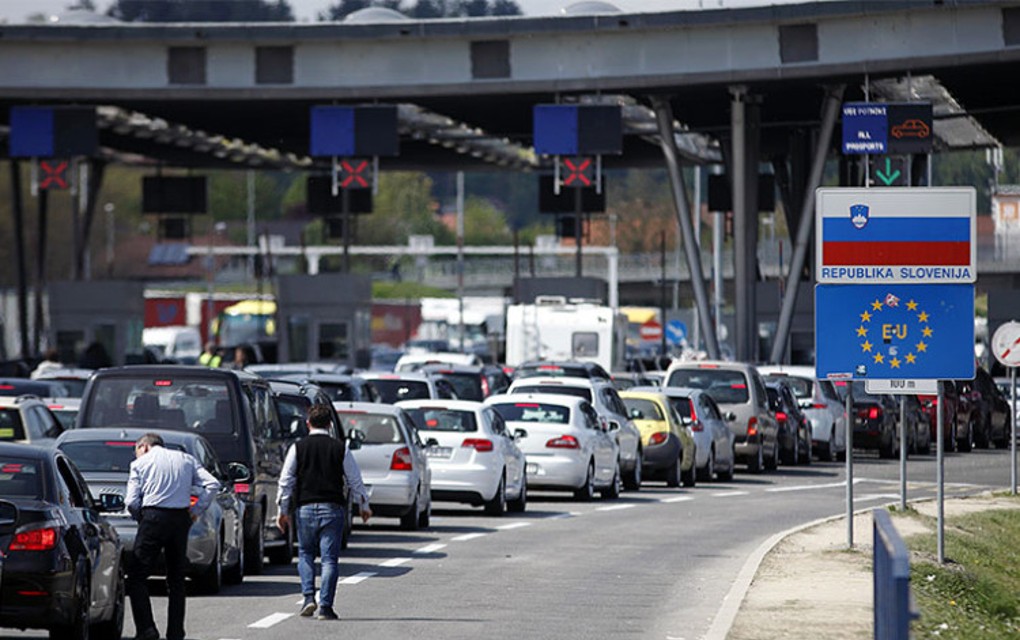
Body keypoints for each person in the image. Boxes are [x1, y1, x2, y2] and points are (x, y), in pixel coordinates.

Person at [276, 405, 372, 621]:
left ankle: (309, 597)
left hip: (305, 508)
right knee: (329, 560)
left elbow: (286, 481)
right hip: (332, 508)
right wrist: (363, 505)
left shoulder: (298, 448)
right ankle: (326, 607)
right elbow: (354, 479)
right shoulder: (340, 448)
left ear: (308, 423)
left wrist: (282, 510)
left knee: (305, 554)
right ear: (330, 424)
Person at [125, 433, 221, 640]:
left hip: (153, 517)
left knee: (137, 576)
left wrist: (140, 517)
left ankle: (146, 628)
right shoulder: (186, 459)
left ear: (144, 447)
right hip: (180, 519)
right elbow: (212, 484)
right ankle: (176, 632)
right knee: (177, 578)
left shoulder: (140, 463)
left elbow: (131, 502)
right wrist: (196, 510)